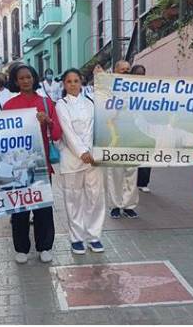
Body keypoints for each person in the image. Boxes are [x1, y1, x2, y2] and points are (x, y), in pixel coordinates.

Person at [3, 65, 62, 264]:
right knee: (19, 209)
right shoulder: (9, 106)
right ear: (16, 81)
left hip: (42, 165)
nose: (25, 81)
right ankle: (21, 248)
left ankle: (45, 246)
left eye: (29, 77)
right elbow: (3, 138)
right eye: (21, 78)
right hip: (18, 167)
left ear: (34, 78)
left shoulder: (46, 104)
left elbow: (56, 135)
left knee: (43, 208)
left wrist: (48, 122)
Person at [56, 68, 106, 255]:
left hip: (93, 158)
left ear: (81, 82)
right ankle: (77, 238)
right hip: (71, 158)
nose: (73, 84)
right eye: (69, 81)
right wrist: (82, 152)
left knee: (96, 197)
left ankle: (95, 236)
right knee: (73, 199)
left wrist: (93, 152)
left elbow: (99, 125)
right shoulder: (61, 105)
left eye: (76, 81)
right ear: (64, 84)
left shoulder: (91, 102)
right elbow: (67, 131)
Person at [105, 59, 139, 219]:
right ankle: (115, 205)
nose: (126, 72)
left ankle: (129, 205)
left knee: (131, 171)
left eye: (128, 69)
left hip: (132, 135)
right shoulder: (108, 89)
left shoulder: (136, 89)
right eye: (122, 69)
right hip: (114, 136)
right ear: (115, 71)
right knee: (115, 172)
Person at [130, 64, 152, 193]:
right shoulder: (126, 89)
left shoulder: (149, 89)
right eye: (138, 74)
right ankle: (132, 181)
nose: (140, 76)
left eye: (142, 74)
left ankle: (143, 182)